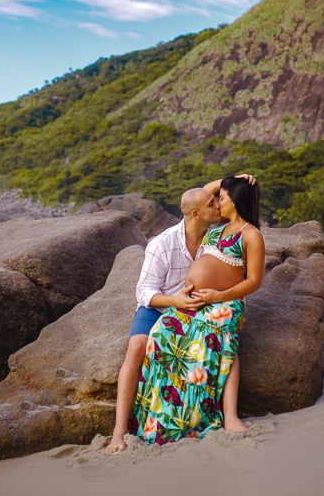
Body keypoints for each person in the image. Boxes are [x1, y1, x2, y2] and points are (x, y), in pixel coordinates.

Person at [105, 176, 255, 454]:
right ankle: (118, 432)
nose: (219, 204)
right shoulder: (162, 244)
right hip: (161, 304)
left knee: (222, 339)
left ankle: (222, 415)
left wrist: (232, 180)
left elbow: (204, 196)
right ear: (197, 213)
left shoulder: (217, 234)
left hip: (198, 305)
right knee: (138, 346)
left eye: (220, 199)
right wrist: (175, 301)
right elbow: (144, 292)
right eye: (214, 202)